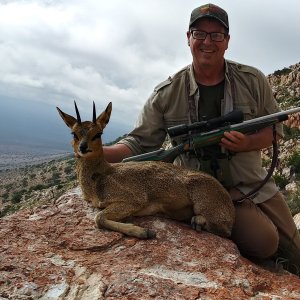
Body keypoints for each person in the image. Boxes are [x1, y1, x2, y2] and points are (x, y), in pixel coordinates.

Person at [103, 3, 300, 275]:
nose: (208, 42)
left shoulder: (252, 80)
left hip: (252, 183)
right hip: (197, 195)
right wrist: (96, 153)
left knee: (296, 251)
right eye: (200, 34)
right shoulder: (167, 92)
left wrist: (246, 143)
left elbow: (274, 130)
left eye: (216, 35)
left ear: (227, 41)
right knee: (265, 242)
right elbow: (138, 144)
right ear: (188, 38)